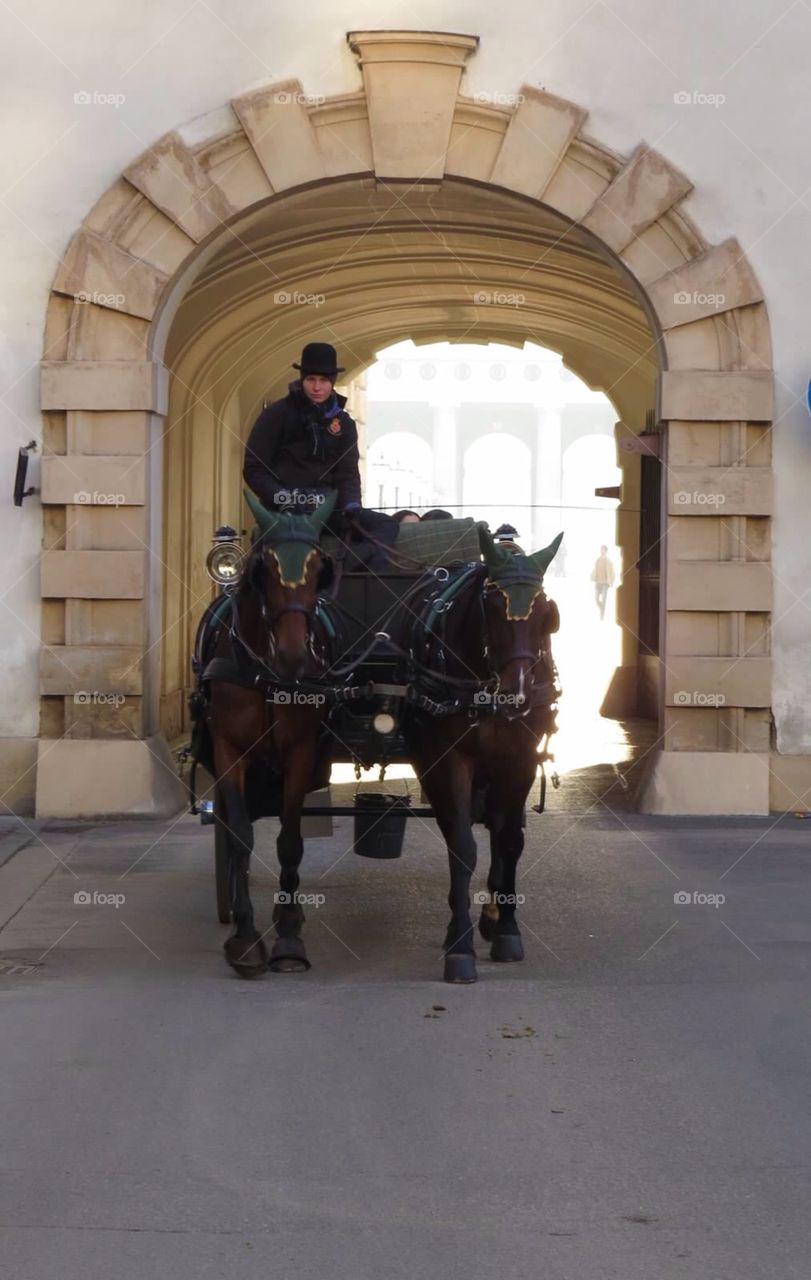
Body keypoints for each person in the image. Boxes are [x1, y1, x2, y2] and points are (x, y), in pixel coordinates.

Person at [243, 342, 397, 570]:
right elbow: (254, 468)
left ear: (332, 383)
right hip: (286, 510)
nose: (317, 387)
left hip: (328, 509)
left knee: (387, 525)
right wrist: (282, 497)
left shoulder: (344, 423)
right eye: (311, 380)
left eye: (323, 381)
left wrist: (352, 504)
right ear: (302, 379)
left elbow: (347, 473)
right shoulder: (276, 415)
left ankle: (353, 575)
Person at [591, 544, 616, 620]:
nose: (602, 551)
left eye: (604, 550)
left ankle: (602, 615)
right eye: (601, 549)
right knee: (596, 598)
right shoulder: (597, 560)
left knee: (604, 599)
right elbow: (594, 570)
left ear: (606, 551)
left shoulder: (609, 562)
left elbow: (612, 572)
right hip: (598, 582)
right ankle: (602, 607)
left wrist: (611, 582)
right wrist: (592, 577)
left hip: (605, 583)